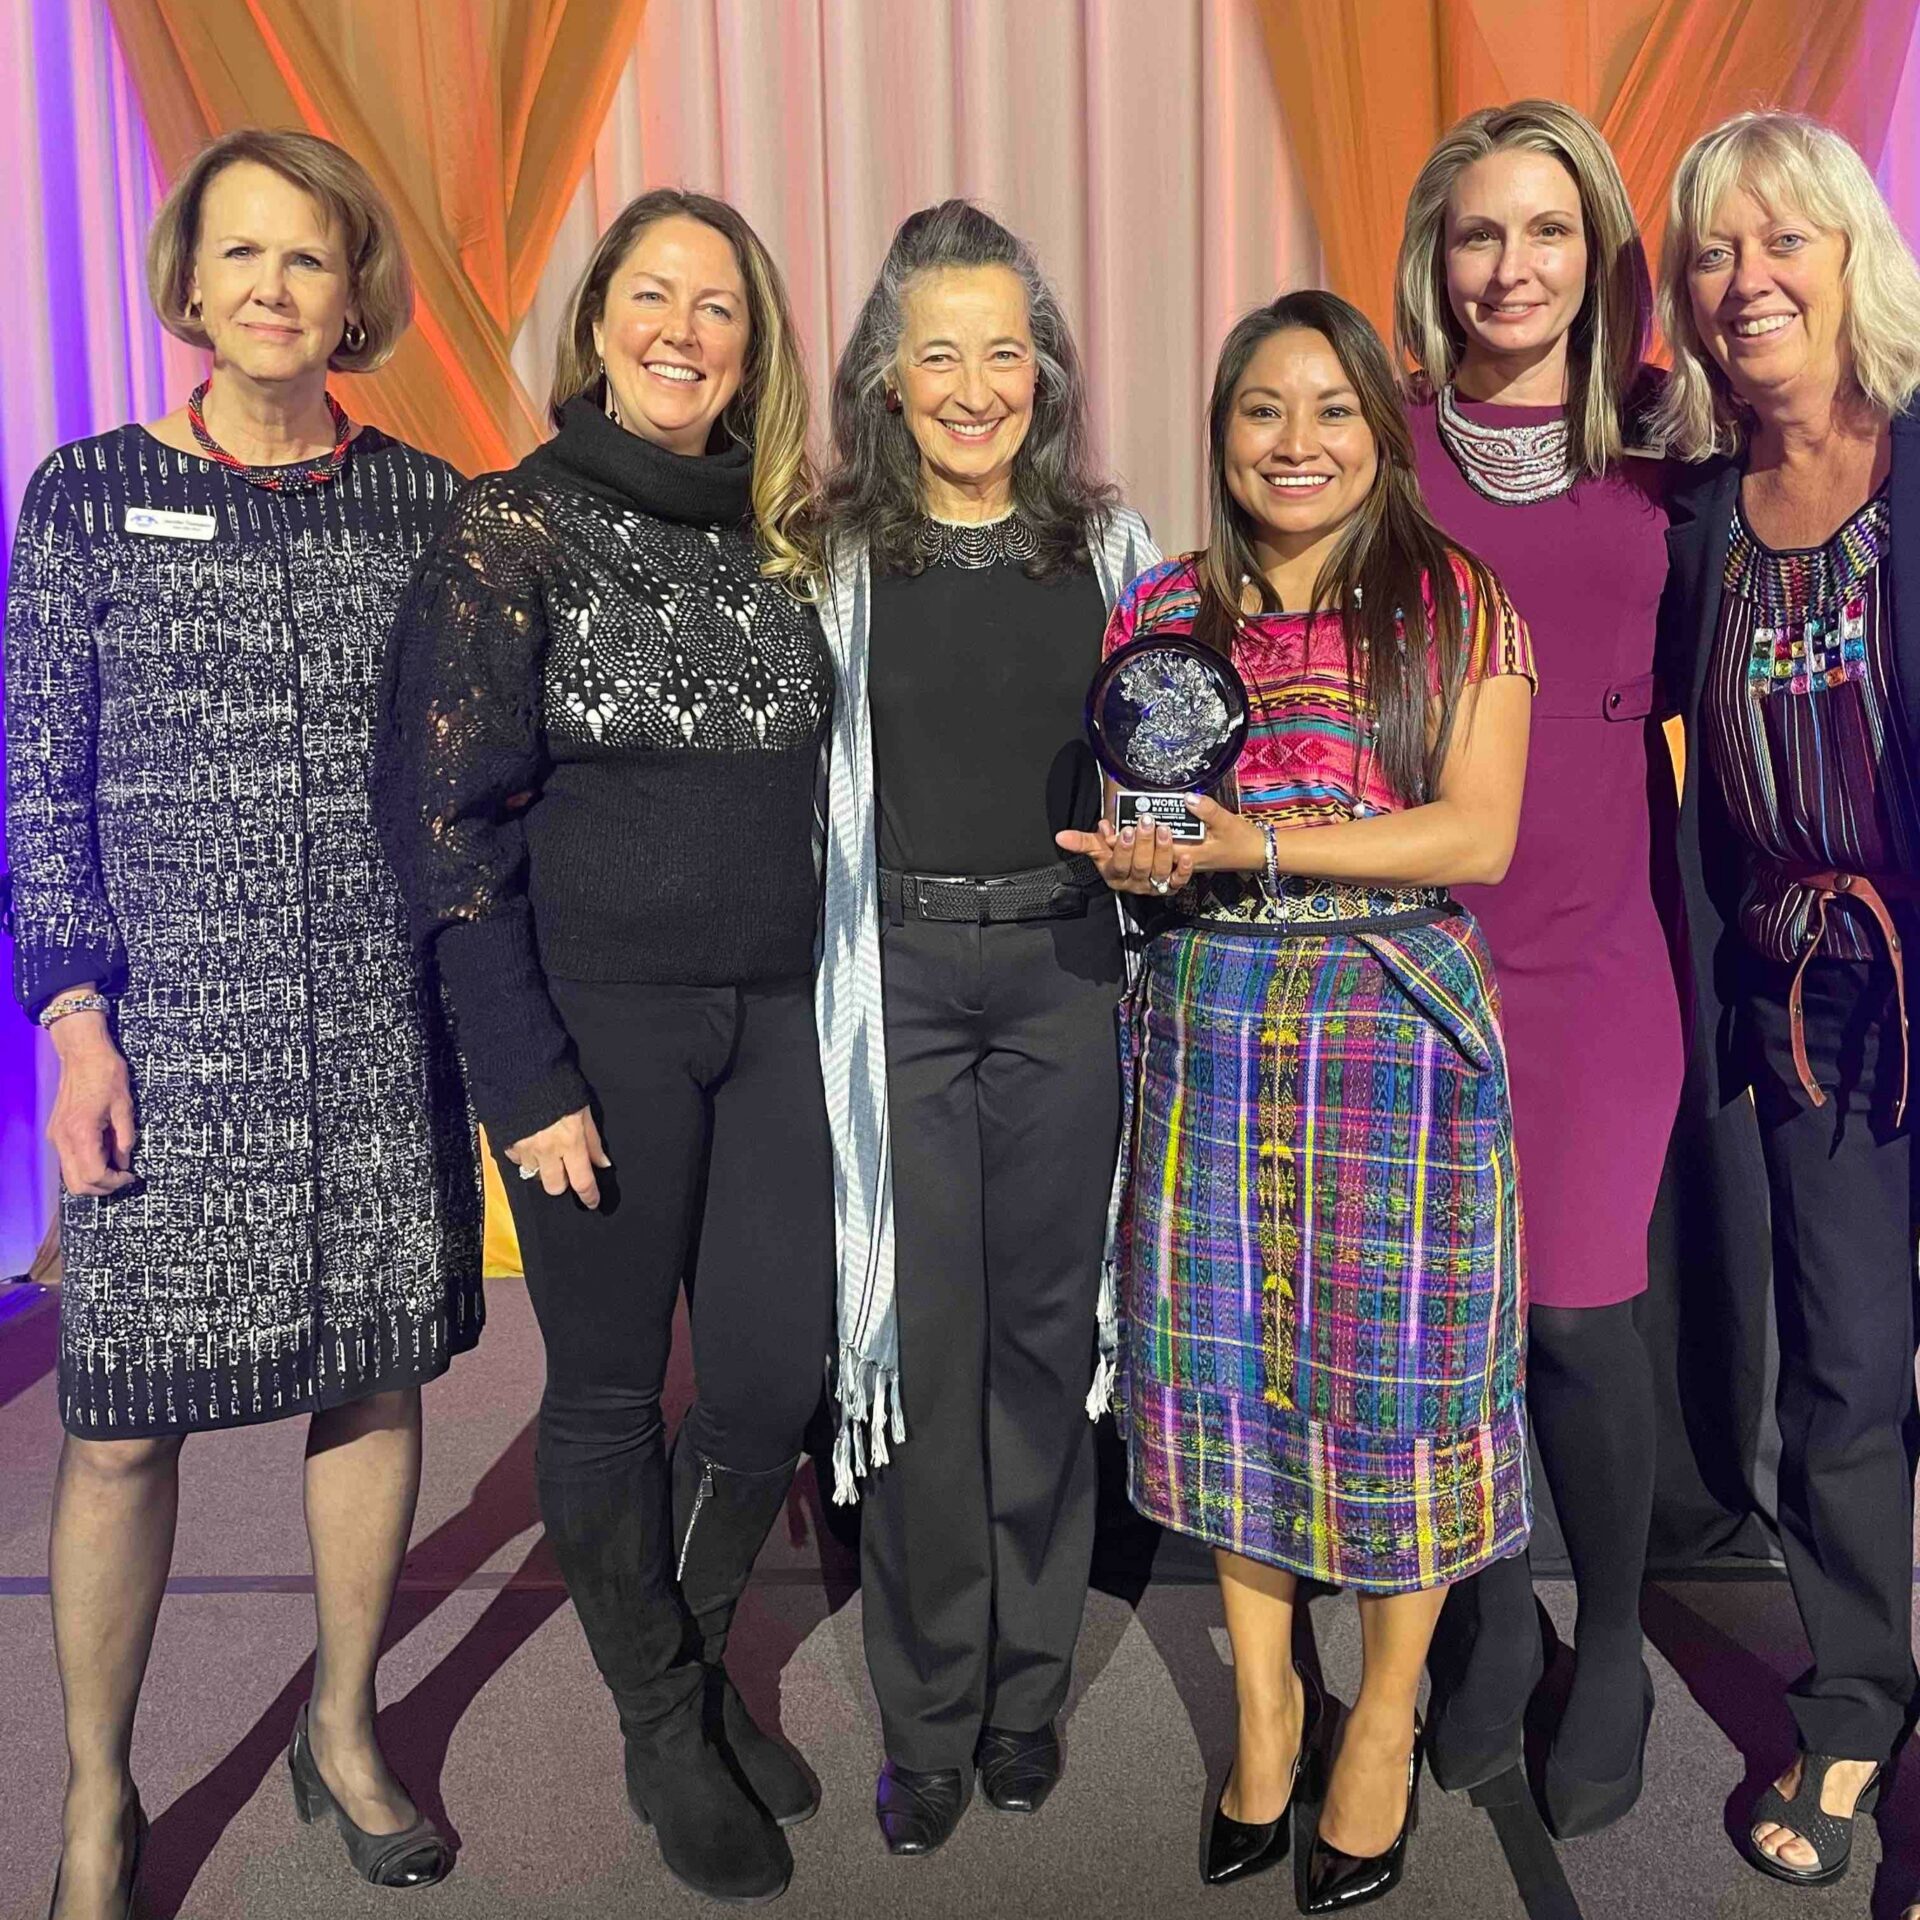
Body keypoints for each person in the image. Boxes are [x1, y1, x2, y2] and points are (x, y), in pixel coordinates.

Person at [5, 129, 482, 1914]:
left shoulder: (427, 506)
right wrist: (76, 1025)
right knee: (122, 1425)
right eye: (242, 254)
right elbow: (41, 781)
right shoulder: (86, 493)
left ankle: (341, 1726)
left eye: (309, 256)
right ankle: (96, 1800)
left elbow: (468, 775)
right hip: (165, 1039)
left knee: (371, 1374)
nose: (274, 287)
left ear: (354, 291)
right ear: (189, 284)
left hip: (375, 1028)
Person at [375, 189, 833, 1905]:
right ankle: (662, 1724)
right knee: (608, 1392)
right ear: (598, 324)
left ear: (753, 348)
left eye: (719, 306)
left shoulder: (785, 541)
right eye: (654, 295)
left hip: (774, 1017)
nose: (683, 331)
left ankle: (688, 1676)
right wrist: (526, 1079)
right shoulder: (511, 529)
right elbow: (443, 825)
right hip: (596, 1032)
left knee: (774, 1376)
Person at [1062, 289, 1534, 1911]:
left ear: (1381, 434)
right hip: (1208, 1025)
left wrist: (1261, 846)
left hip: (1394, 1035)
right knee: (1229, 1375)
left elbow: (1476, 834)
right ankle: (1270, 1707)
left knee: (1397, 1385)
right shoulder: (1163, 609)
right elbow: (1148, 810)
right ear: (1222, 433)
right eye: (1264, 409)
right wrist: (1145, 857)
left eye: (1332, 409)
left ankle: (1383, 1720)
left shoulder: (1456, 601)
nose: (1297, 441)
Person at [814, 199, 1158, 1856]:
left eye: (1001, 352)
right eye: (936, 354)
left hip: (1063, 977)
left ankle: (1028, 1696)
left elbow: (1175, 761)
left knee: (1043, 1346)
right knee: (920, 1342)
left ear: (1046, 371)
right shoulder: (831, 559)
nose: (972, 387)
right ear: (887, 379)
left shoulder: (1113, 553)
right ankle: (929, 1716)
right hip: (893, 982)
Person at [1391, 99, 1683, 1835]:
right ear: (1437, 257)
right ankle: (1494, 1618)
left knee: (1577, 1315)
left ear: (1598, 254)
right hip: (1426, 945)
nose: (1514, 266)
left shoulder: (1668, 437)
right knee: (1462, 1322)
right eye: (1482, 232)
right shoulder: (1380, 442)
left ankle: (1618, 1640)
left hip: (1602, 946)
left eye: (1549, 230)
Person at [1653, 110, 1920, 1892]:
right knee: (1838, 1378)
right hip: (1809, 1007)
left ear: (1851, 256)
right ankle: (1855, 1704)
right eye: (1713, 252)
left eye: (1782, 240)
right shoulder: (1696, 522)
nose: (1748, 280)